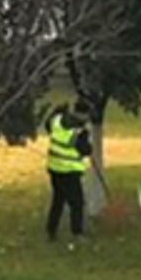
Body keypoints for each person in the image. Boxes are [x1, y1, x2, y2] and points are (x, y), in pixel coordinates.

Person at [44, 102, 93, 244]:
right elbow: (85, 150)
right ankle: (77, 233)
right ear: (83, 114)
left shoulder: (57, 120)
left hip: (54, 168)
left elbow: (48, 125)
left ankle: (51, 231)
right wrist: (88, 142)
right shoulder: (79, 131)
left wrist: (55, 111)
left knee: (58, 200)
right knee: (77, 203)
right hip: (69, 171)